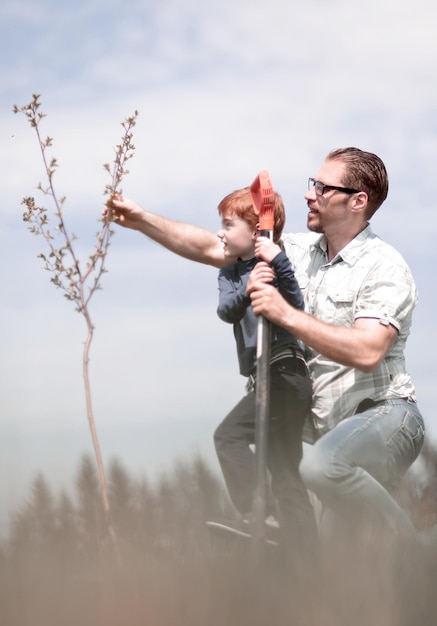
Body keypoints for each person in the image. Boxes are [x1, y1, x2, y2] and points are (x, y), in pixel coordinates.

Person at [104, 146, 425, 543]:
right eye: (313, 184)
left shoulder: (384, 265)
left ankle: (421, 559)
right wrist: (141, 220)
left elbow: (368, 350)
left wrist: (284, 313)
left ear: (357, 201)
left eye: (323, 188)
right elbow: (214, 247)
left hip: (386, 416)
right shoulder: (296, 252)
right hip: (327, 429)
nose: (310, 194)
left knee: (321, 467)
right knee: (347, 563)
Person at [212, 187, 319, 559]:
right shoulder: (230, 274)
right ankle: (306, 553)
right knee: (284, 468)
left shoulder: (277, 262)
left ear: (257, 229)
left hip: (287, 373)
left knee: (227, 437)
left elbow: (296, 304)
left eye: (228, 225)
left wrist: (277, 266)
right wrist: (249, 287)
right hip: (261, 378)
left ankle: (260, 514)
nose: (221, 233)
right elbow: (227, 309)